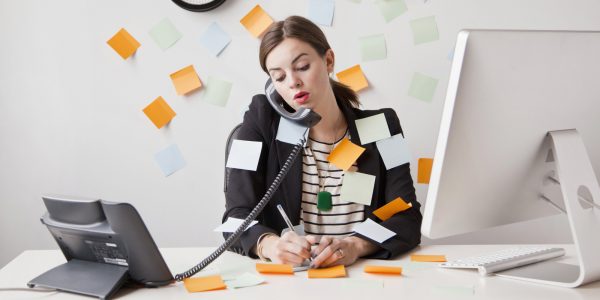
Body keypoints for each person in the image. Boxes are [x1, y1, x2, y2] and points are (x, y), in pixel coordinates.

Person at [223, 15, 422, 269]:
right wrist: (270, 245)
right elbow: (234, 217)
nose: (293, 82)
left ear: (328, 61)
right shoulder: (260, 120)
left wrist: (356, 246)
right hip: (289, 281)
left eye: (302, 67)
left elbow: (407, 215)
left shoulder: (381, 126)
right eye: (279, 77)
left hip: (361, 276)